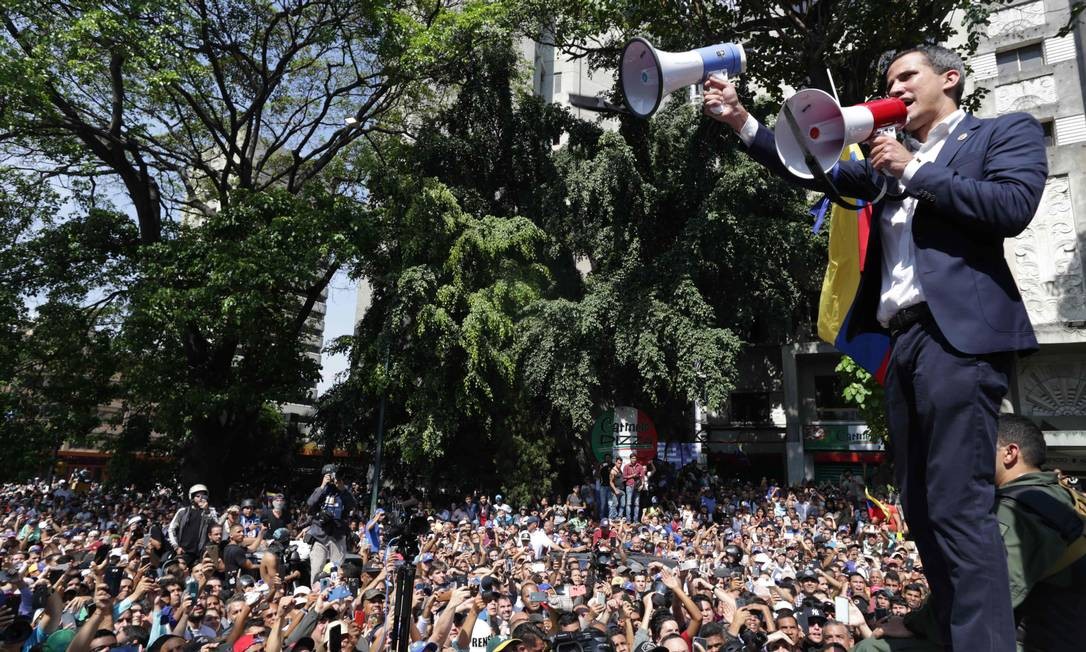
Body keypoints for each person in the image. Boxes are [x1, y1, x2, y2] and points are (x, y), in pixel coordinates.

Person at [704, 43, 1048, 651]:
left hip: (958, 340)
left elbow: (1013, 206)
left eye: (906, 77)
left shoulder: (1000, 133)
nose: (896, 88)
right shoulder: (883, 162)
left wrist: (912, 171)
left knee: (957, 502)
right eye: (888, 81)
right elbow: (809, 165)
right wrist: (740, 119)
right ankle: (951, 633)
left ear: (951, 78)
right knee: (919, 504)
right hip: (903, 343)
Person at [306, 464, 356, 583]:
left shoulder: (343, 491)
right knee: (317, 568)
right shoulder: (321, 490)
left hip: (337, 535)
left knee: (336, 570)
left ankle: (335, 596)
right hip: (319, 534)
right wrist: (323, 486)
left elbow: (352, 505)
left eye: (334, 475)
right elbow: (310, 503)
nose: (333, 478)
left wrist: (342, 489)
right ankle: (315, 595)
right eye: (330, 475)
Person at [168, 484, 212, 566]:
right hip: (184, 551)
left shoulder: (210, 511)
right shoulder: (183, 511)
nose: (201, 498)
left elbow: (215, 527)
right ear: (192, 497)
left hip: (202, 552)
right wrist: (176, 547)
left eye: (203, 496)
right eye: (198, 496)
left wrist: (207, 511)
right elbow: (171, 529)